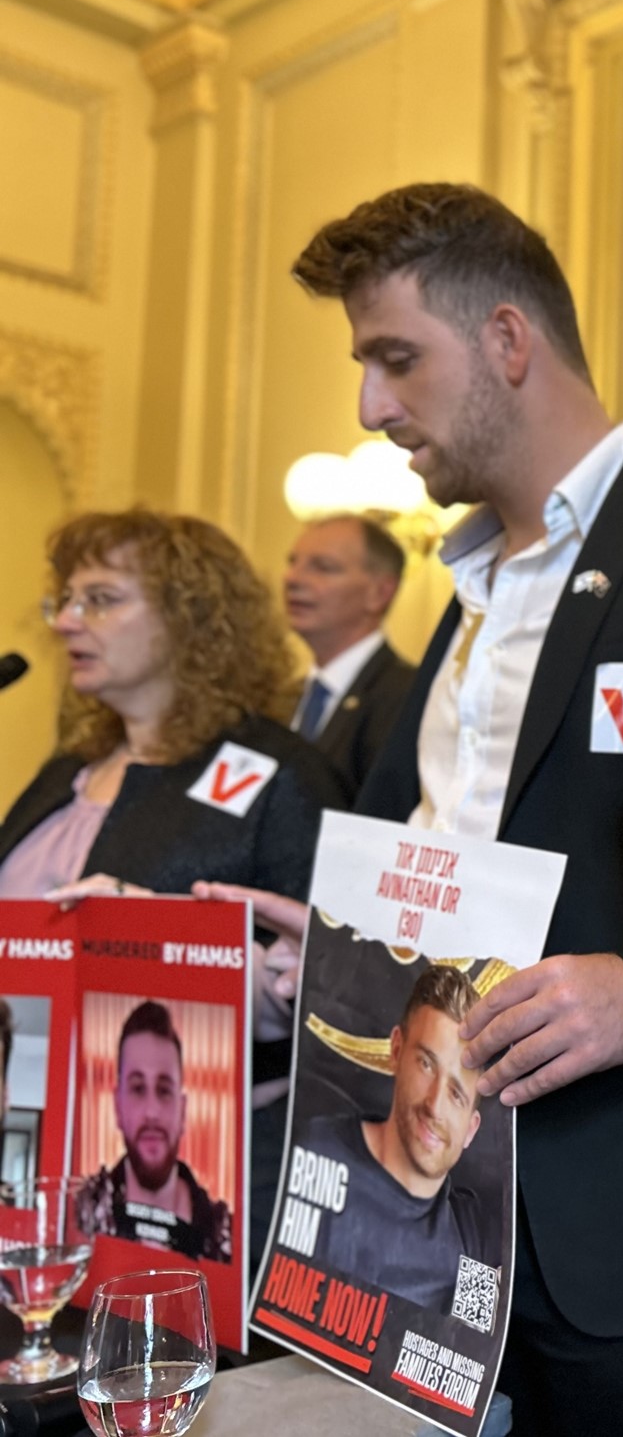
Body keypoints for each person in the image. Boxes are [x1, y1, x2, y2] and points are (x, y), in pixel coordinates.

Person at [231, 181, 623, 1435]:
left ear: (508, 342)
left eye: (395, 359)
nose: (369, 406)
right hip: (441, 1230)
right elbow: (463, 867)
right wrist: (341, 957)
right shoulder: (461, 605)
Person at [0, 510, 345, 1263]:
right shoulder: (72, 766)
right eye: (65, 600)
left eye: (101, 598)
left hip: (184, 1178)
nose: (65, 622)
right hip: (26, 1139)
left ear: (192, 617)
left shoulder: (275, 774)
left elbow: (326, 987)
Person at [298, 965, 500, 1312]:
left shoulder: (476, 1238)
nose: (434, 1105)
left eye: (456, 1094)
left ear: (471, 1129)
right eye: (425, 1064)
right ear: (395, 1050)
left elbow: (473, 1340)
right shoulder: (316, 1151)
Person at [79, 1000, 232, 1261]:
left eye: (164, 1090)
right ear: (117, 1107)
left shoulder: (226, 1235)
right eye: (138, 1089)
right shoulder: (80, 1210)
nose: (151, 1111)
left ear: (183, 1111)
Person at [283, 513, 417, 798]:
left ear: (379, 593)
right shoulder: (276, 699)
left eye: (323, 567)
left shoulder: (409, 698)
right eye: (293, 562)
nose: (293, 578)